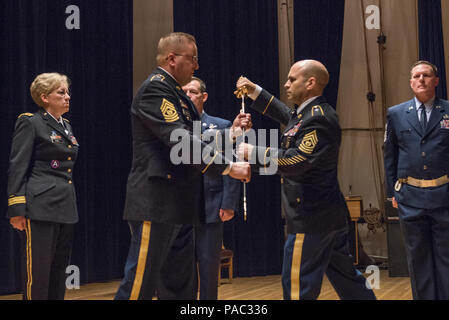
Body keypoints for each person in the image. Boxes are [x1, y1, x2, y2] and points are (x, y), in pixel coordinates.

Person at [114, 32, 250, 300]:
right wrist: (228, 168)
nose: (197, 65)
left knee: (179, 286)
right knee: (140, 285)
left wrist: (230, 135)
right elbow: (180, 141)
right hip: (157, 202)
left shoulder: (178, 95)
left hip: (179, 204)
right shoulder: (156, 89)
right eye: (193, 58)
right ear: (172, 58)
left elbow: (196, 138)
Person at [235, 60, 376, 300]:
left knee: (298, 286)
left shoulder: (318, 118)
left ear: (310, 83)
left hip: (310, 217)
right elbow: (284, 114)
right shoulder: (307, 113)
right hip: (326, 216)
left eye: (292, 79)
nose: (286, 84)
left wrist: (253, 153)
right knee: (348, 281)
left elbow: (297, 161)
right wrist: (254, 90)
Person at [6, 72, 79, 300]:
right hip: (39, 207)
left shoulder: (66, 125)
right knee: (38, 274)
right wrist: (17, 209)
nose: (67, 96)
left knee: (59, 272)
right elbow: (18, 166)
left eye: (67, 91)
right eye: (61, 92)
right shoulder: (30, 122)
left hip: (64, 207)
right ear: (45, 97)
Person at [384, 60, 449, 300]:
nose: (421, 79)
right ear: (411, 82)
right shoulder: (396, 113)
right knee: (418, 258)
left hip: (444, 196)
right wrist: (392, 192)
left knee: (446, 258)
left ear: (436, 81)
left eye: (426, 75)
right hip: (410, 198)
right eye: (416, 76)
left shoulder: (448, 111)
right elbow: (390, 154)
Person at [184, 77, 241, 299]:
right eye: (184, 92)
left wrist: (228, 203)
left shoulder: (221, 125)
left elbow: (230, 166)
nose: (188, 96)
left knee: (208, 265)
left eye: (193, 92)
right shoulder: (175, 125)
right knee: (182, 268)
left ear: (204, 96)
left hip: (212, 204)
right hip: (181, 207)